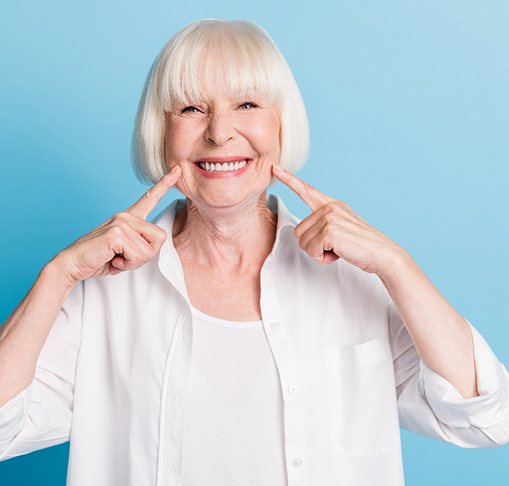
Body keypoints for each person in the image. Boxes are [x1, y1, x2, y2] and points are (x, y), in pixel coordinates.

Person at [0, 17, 508, 486]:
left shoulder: (354, 279)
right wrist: (58, 274)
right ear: (163, 132)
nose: (220, 132)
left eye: (247, 105)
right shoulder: (102, 296)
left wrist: (396, 264)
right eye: (192, 108)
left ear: (282, 125)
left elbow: (488, 418)